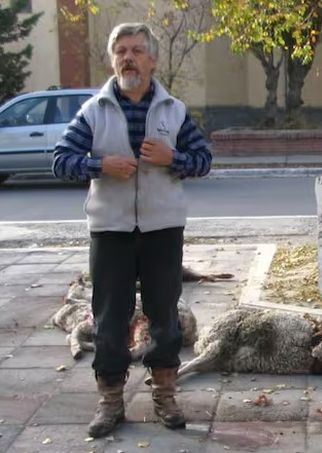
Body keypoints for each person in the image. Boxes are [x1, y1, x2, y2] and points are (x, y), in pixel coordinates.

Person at [52, 23, 212, 438]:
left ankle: (165, 396)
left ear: (153, 59)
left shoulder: (174, 110)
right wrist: (99, 165)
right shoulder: (95, 111)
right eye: (120, 50)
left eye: (137, 50)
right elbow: (60, 160)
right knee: (109, 320)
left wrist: (172, 157)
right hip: (111, 230)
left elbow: (203, 160)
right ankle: (110, 403)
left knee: (164, 317)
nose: (128, 58)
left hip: (163, 228)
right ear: (112, 60)